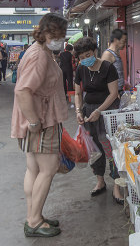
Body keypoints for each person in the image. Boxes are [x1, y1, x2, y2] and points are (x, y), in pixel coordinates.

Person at [11, 13, 68, 238]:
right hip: (42, 121)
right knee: (49, 168)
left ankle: (33, 216)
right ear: (45, 33)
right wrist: (34, 121)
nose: (60, 39)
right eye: (57, 34)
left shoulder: (42, 51)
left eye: (62, 35)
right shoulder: (39, 56)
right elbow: (23, 90)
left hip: (39, 119)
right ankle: (34, 220)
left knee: (34, 169)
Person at [74, 37, 124, 204]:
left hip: (108, 110)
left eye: (87, 55)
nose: (84, 59)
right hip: (89, 111)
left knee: (110, 146)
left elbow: (113, 94)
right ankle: (100, 180)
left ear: (94, 52)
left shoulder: (107, 67)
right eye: (81, 57)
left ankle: (117, 184)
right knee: (94, 148)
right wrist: (79, 111)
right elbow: (77, 93)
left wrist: (99, 111)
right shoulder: (81, 69)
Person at [101, 28, 127, 95]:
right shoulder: (107, 54)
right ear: (115, 40)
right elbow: (103, 76)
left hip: (119, 91)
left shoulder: (116, 53)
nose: (125, 44)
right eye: (123, 41)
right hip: (112, 93)